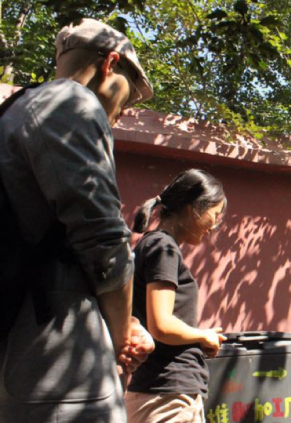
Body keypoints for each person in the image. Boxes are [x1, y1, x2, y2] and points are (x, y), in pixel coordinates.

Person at [0, 18, 154, 422]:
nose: (122, 112)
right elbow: (104, 240)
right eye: (129, 94)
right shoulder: (71, 103)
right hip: (59, 364)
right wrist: (123, 335)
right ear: (110, 64)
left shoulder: (13, 111)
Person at [125, 169, 228, 423]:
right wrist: (204, 335)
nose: (214, 226)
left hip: (159, 390)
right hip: (168, 394)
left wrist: (199, 338)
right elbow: (162, 325)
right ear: (194, 208)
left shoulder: (153, 245)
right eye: (213, 215)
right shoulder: (163, 247)